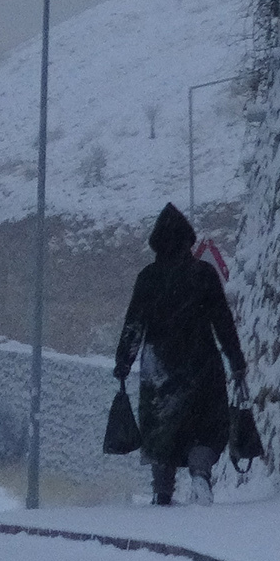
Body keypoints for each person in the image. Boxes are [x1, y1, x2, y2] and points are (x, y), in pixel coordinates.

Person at [113, 203, 247, 506]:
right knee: (205, 426)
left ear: (157, 243)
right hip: (202, 364)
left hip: (159, 368)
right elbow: (223, 322)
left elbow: (134, 324)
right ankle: (200, 474)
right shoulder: (203, 274)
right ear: (188, 240)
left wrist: (124, 362)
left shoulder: (148, 278)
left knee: (162, 427)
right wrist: (236, 361)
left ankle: (162, 489)